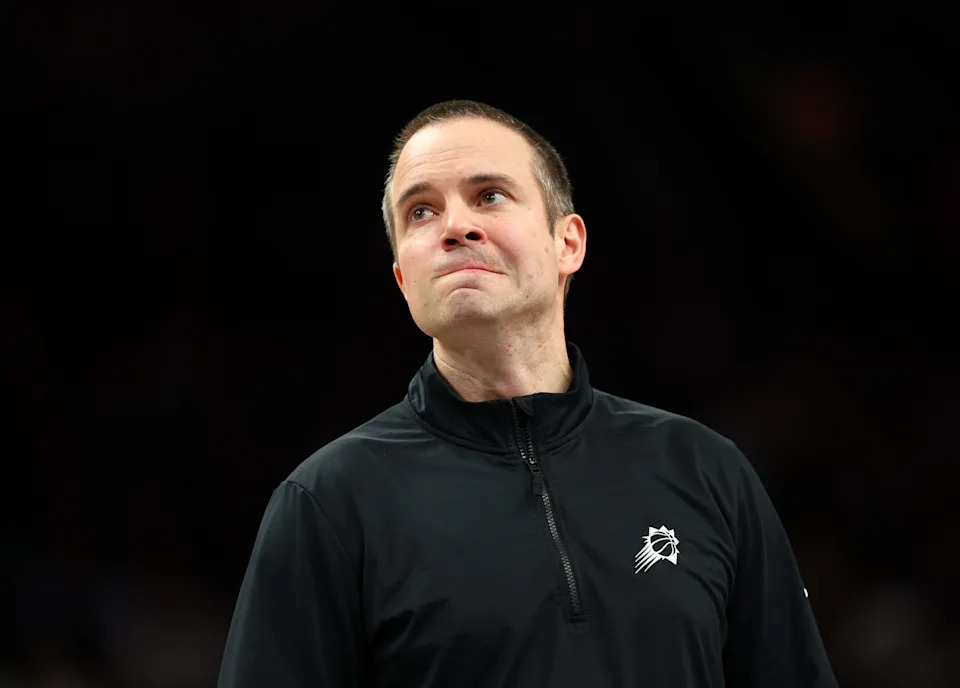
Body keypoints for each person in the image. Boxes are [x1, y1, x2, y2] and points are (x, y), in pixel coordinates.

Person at [217, 99, 838, 687]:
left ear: (568, 242)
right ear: (404, 278)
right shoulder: (327, 504)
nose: (455, 226)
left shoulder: (705, 470)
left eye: (489, 196)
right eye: (421, 212)